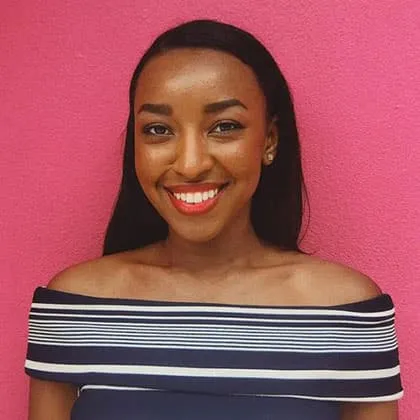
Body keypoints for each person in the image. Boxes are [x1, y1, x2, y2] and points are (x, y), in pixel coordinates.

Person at [25, 19, 403, 420]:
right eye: (158, 129)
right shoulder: (76, 307)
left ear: (270, 140)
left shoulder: (345, 314)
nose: (190, 165)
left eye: (224, 127)